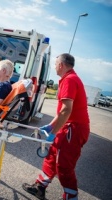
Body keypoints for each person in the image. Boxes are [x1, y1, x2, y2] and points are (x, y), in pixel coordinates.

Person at [22, 53, 90, 200]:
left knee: (64, 165)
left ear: (61, 65)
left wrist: (54, 131)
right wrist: (50, 126)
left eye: (55, 64)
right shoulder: (70, 78)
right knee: (52, 156)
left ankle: (71, 197)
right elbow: (63, 112)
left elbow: (67, 110)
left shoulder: (69, 80)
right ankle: (40, 186)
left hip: (74, 128)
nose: (54, 67)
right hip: (70, 126)